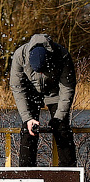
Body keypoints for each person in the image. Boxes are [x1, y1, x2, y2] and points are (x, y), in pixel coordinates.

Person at [9, 33, 77, 167]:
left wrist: (58, 117)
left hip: (55, 90)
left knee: (62, 128)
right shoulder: (19, 55)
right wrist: (27, 118)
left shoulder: (62, 55)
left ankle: (69, 171)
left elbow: (67, 88)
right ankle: (26, 171)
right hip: (30, 92)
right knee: (28, 130)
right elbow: (17, 88)